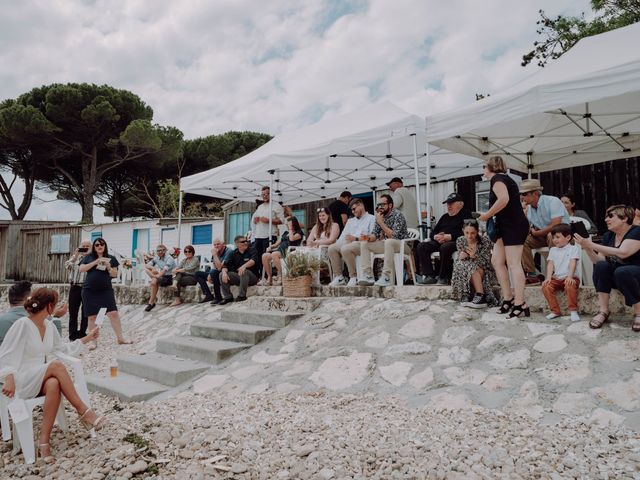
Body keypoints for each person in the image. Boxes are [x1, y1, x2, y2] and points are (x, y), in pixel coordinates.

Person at [0, 288, 106, 463]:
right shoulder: (22, 324)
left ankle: (44, 443)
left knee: (54, 384)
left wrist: (87, 338)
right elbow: (6, 354)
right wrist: (9, 377)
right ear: (49, 306)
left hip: (40, 378)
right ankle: (84, 411)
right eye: (55, 305)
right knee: (55, 366)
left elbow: (61, 349)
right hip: (22, 379)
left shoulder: (49, 327)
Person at [478, 156, 530, 318]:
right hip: (505, 226)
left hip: (513, 226)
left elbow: (504, 199)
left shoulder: (497, 179)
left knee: (514, 264)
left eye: (484, 167)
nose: (483, 171)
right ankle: (508, 298)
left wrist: (487, 215)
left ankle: (520, 303)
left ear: (490, 167)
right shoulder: (503, 179)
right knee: (497, 261)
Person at [575, 205, 640, 331]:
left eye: (611, 216)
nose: (606, 219)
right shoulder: (608, 236)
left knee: (623, 271)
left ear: (625, 218)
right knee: (601, 266)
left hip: (635, 275)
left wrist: (591, 244)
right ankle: (603, 311)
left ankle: (639, 312)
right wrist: (588, 248)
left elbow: (623, 252)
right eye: (606, 216)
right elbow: (598, 261)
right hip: (618, 276)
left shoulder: (636, 231)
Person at [79, 237, 132, 348]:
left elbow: (115, 274)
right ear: (94, 247)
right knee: (92, 317)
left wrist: (108, 266)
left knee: (113, 313)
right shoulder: (89, 257)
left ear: (105, 246)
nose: (99, 246)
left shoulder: (111, 258)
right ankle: (93, 342)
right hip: (89, 291)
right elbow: (82, 269)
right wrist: (96, 262)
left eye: (102, 244)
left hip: (105, 290)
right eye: (97, 244)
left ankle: (120, 338)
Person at [520, 179, 570, 284]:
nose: (522, 196)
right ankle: (532, 274)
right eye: (520, 194)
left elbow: (556, 226)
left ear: (535, 194)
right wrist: (521, 212)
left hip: (564, 236)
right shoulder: (528, 208)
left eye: (524, 193)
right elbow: (526, 228)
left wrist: (536, 233)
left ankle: (557, 272)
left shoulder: (553, 201)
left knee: (552, 235)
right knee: (521, 239)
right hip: (543, 236)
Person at [416, 192, 472, 285]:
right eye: (448, 204)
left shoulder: (466, 215)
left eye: (452, 203)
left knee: (445, 247)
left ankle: (443, 277)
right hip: (440, 241)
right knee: (422, 246)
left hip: (456, 241)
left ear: (461, 204)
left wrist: (449, 236)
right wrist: (435, 236)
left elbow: (468, 233)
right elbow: (433, 232)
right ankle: (430, 276)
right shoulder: (445, 216)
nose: (449, 206)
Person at [358, 194, 410, 287]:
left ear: (390, 205)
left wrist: (380, 222)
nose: (380, 207)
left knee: (389, 241)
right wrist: (368, 238)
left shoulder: (398, 215)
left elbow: (393, 236)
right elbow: (375, 234)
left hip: (402, 245)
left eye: (383, 204)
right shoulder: (380, 216)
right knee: (364, 244)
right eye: (378, 205)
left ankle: (386, 276)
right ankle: (368, 276)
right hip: (388, 245)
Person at [328, 198, 376, 287]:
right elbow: (343, 236)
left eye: (354, 209)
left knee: (345, 248)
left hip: (363, 245)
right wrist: (337, 243)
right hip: (348, 243)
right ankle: (339, 277)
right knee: (332, 248)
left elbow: (372, 237)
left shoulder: (371, 218)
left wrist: (355, 238)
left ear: (360, 205)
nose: (353, 212)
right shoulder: (350, 221)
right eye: (351, 210)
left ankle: (353, 276)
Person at [0, 281, 65, 345]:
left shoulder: (1, 320)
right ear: (28, 299)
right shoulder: (47, 322)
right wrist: (54, 316)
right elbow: (55, 349)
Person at [451, 220, 496, 308]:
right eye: (467, 232)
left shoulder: (485, 241)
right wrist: (460, 257)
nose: (469, 236)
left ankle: (480, 295)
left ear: (477, 231)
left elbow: (486, 263)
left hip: (484, 271)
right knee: (460, 263)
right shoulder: (460, 240)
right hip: (467, 271)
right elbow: (461, 262)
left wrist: (475, 257)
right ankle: (466, 294)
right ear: (463, 230)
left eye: (473, 233)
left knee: (471, 266)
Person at [542, 224, 582, 322]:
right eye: (553, 237)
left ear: (568, 237)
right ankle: (555, 311)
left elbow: (573, 263)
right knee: (546, 286)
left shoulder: (573, 248)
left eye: (558, 237)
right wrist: (548, 278)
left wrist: (570, 276)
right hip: (557, 278)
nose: (555, 240)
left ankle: (573, 311)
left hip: (571, 277)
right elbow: (550, 264)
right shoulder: (553, 250)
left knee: (569, 284)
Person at [260, 216, 303, 286]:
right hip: (279, 250)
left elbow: (292, 239)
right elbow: (277, 244)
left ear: (294, 223)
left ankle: (281, 275)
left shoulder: (299, 233)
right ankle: (269, 277)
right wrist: (270, 247)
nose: (286, 224)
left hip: (290, 251)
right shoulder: (285, 233)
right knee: (264, 256)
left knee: (274, 254)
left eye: (288, 223)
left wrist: (290, 229)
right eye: (287, 223)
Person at [251, 186, 285, 274]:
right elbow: (255, 220)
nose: (265, 196)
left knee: (267, 257)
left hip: (269, 235)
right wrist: (255, 220)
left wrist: (269, 220)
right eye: (263, 195)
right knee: (258, 257)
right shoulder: (260, 207)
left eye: (267, 194)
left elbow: (282, 220)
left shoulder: (276, 206)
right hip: (258, 235)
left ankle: (268, 276)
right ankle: (261, 276)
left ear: (271, 194)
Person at [219, 235, 260, 304]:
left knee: (243, 271)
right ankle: (228, 297)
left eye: (246, 241)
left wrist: (244, 266)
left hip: (252, 278)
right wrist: (224, 273)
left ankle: (242, 296)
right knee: (221, 274)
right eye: (243, 242)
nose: (245, 243)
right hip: (239, 277)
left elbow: (253, 261)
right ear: (237, 244)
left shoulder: (252, 249)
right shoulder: (233, 253)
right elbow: (225, 265)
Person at [65, 239, 91, 341]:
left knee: (85, 312)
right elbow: (67, 266)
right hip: (75, 287)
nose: (85, 248)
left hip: (87, 287)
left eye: (87, 246)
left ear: (91, 247)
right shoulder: (76, 258)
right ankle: (72, 334)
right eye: (83, 246)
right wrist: (75, 255)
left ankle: (82, 333)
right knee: (73, 312)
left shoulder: (93, 258)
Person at [195, 238, 233, 305]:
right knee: (198, 274)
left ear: (223, 244)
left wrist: (215, 255)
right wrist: (210, 274)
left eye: (218, 244)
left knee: (214, 272)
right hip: (216, 272)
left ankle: (218, 297)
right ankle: (208, 295)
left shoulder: (228, 251)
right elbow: (214, 266)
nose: (216, 246)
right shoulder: (215, 252)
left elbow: (219, 267)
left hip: (226, 273)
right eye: (214, 245)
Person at [143, 244, 177, 312]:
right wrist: (153, 268)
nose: (160, 252)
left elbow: (164, 271)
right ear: (156, 251)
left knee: (153, 281)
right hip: (162, 276)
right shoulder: (156, 258)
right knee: (150, 274)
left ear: (165, 251)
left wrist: (155, 276)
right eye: (158, 250)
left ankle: (151, 303)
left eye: (162, 250)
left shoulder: (169, 258)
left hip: (171, 277)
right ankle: (151, 302)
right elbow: (146, 265)